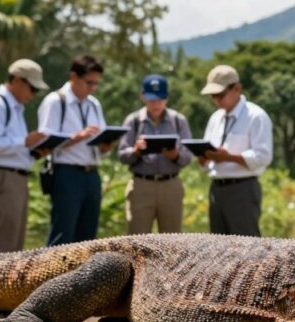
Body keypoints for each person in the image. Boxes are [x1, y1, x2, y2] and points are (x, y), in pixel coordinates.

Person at [37, 55, 115, 246]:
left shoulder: (94, 104)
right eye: (89, 83)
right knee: (63, 233)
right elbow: (45, 142)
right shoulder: (55, 102)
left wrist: (106, 144)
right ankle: (55, 275)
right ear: (74, 76)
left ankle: (85, 276)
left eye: (96, 84)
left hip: (92, 173)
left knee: (88, 236)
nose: (92, 88)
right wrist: (78, 137)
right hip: (66, 172)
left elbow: (102, 141)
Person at [0, 58, 49, 254]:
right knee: (1, 245)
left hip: (15, 178)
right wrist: (24, 142)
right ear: (17, 80)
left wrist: (34, 152)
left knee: (14, 245)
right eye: (32, 88)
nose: (33, 95)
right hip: (2, 178)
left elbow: (12, 147)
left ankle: (3, 286)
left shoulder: (15, 108)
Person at [198, 64, 273, 236]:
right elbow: (206, 161)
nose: (216, 100)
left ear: (236, 88)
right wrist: (204, 157)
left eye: (220, 95)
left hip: (242, 189)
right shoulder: (215, 118)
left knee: (246, 247)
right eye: (213, 96)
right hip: (216, 189)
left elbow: (263, 156)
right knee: (218, 247)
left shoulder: (256, 116)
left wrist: (228, 157)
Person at [117, 74, 194, 233]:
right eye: (152, 99)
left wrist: (176, 156)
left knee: (172, 242)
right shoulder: (133, 121)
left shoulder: (178, 121)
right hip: (141, 185)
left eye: (160, 98)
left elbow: (188, 156)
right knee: (137, 240)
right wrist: (136, 151)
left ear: (166, 98)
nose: (156, 103)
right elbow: (122, 155)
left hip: (170, 185)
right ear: (143, 96)